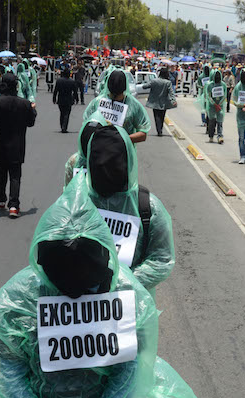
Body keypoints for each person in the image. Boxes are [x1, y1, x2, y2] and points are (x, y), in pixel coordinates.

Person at [0, 179, 216, 398]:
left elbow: (129, 375)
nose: (76, 293)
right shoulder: (19, 300)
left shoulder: (126, 296)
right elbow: (8, 374)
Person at [73, 116, 176, 297]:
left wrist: (120, 285)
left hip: (131, 308)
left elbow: (161, 259)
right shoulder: (76, 203)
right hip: (84, 307)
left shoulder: (147, 207)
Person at [0, 73, 37, 218]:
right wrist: (33, 109)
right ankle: (14, 206)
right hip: (17, 146)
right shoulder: (24, 103)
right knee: (15, 175)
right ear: (16, 86)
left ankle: (1, 200)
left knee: (1, 175)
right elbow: (31, 123)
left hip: (0, 145)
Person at [83, 69, 150, 144]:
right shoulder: (97, 103)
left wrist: (120, 139)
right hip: (99, 151)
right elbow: (87, 128)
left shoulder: (133, 105)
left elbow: (143, 133)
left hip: (122, 153)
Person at [144, 67, 178, 137]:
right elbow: (171, 93)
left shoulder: (154, 81)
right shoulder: (168, 82)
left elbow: (145, 86)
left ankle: (159, 130)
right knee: (162, 117)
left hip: (154, 102)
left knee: (156, 117)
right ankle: (160, 129)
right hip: (164, 103)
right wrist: (173, 100)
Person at [53, 68, 80, 133]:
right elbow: (75, 92)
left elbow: (55, 91)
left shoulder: (59, 81)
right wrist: (77, 99)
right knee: (67, 114)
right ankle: (64, 127)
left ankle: (62, 125)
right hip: (68, 99)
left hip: (60, 99)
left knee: (62, 113)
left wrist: (54, 98)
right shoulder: (72, 81)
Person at [204, 68, 227, 144]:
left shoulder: (223, 85)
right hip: (212, 106)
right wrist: (214, 104)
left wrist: (219, 104)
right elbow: (209, 96)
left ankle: (220, 136)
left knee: (220, 122)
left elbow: (224, 96)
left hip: (220, 106)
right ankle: (211, 136)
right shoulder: (210, 85)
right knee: (212, 122)